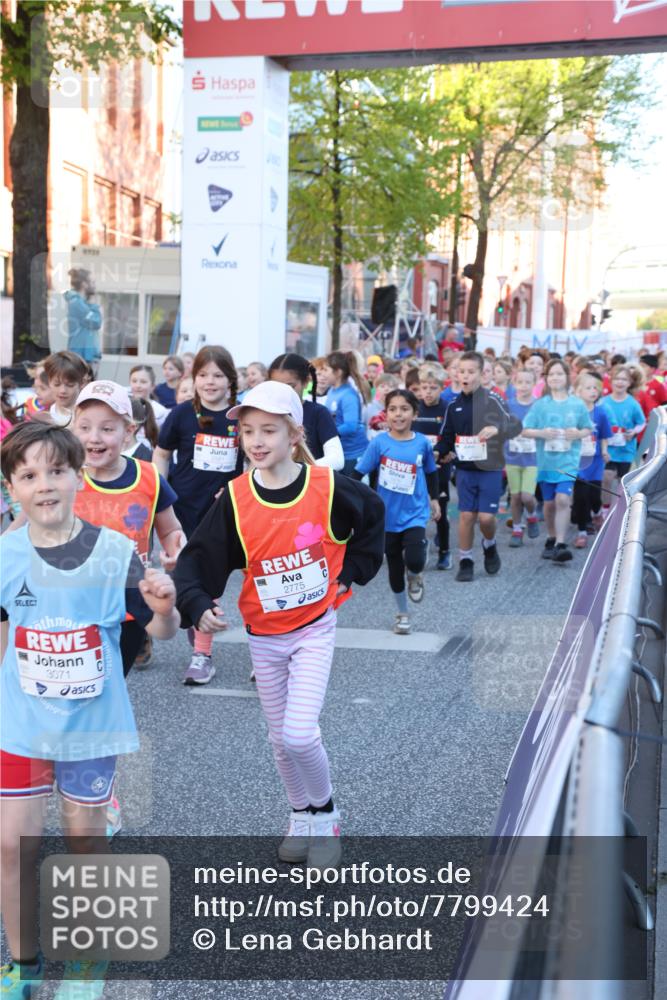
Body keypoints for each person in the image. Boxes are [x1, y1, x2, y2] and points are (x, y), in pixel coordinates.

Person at [0, 420, 178, 1000]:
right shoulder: (3, 554)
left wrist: (166, 608)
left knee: (84, 841)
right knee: (12, 845)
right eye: (29, 475)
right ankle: (23, 966)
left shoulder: (112, 552)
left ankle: (84, 966)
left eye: (56, 470)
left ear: (79, 477)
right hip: (21, 726)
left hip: (91, 726)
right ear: (12, 489)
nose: (44, 484)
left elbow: (160, 629)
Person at [175, 381, 383, 868]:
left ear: (294, 434)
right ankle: (300, 815)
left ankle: (327, 815)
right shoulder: (236, 497)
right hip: (263, 636)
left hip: (314, 628)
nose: (256, 440)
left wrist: (348, 574)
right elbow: (201, 557)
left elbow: (372, 516)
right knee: (277, 738)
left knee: (299, 734)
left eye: (269, 429)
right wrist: (198, 600)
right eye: (247, 431)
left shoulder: (327, 486)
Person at [155, 346, 243, 685]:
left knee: (207, 579)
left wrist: (237, 489)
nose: (210, 382)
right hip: (181, 510)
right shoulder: (180, 415)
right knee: (181, 580)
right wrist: (160, 495)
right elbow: (162, 455)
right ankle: (196, 622)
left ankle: (202, 655)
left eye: (218, 375)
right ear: (194, 379)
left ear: (230, 380)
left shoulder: (239, 417)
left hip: (221, 514)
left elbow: (250, 463)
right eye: (203, 375)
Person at [354, 389, 439, 634]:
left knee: (413, 557)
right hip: (386, 515)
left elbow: (432, 473)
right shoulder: (379, 443)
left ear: (414, 413)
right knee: (393, 566)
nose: (398, 414)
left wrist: (435, 499)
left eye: (404, 409)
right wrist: (350, 500)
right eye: (393, 409)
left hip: (415, 512)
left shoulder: (422, 442)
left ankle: (415, 573)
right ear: (386, 413)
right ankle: (402, 614)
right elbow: (358, 474)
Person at [437, 351, 520, 581]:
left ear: (481, 374)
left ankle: (489, 544)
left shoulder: (492, 400)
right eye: (461, 371)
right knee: (466, 516)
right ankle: (466, 560)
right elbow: (446, 437)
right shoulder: (453, 405)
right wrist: (437, 453)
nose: (465, 375)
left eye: (470, 372)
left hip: (490, 469)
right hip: (464, 470)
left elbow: (514, 426)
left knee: (486, 518)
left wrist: (497, 429)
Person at [521, 359, 593, 562]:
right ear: (545, 378)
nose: (555, 378)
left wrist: (577, 434)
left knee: (563, 499)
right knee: (550, 504)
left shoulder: (577, 404)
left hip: (568, 461)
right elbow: (525, 430)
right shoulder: (540, 405)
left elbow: (587, 428)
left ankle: (561, 543)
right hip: (546, 462)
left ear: (567, 377)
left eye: (559, 374)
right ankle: (551, 537)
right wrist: (542, 433)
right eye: (551, 374)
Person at [268, 353, 344, 470]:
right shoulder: (265, 413)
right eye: (276, 386)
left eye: (290, 386)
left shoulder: (318, 413)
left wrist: (295, 471)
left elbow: (337, 459)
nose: (282, 393)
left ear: (306, 382)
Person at [413, 364, 452, 570]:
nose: (428, 392)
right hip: (416, 468)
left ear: (441, 388)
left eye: (433, 388)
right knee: (416, 509)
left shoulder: (447, 409)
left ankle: (445, 552)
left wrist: (445, 451)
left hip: (439, 467)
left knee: (440, 512)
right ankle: (418, 545)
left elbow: (450, 436)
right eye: (424, 387)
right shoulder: (414, 407)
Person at [571, 371, 612, 547]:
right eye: (588, 388)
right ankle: (581, 531)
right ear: (578, 391)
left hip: (595, 461)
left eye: (596, 387)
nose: (593, 391)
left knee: (594, 496)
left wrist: (604, 451)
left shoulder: (601, 413)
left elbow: (604, 435)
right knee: (580, 496)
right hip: (577, 461)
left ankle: (597, 513)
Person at [599, 364, 646, 515]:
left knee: (622, 482)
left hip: (626, 450)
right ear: (611, 380)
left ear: (629, 382)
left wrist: (634, 431)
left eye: (623, 379)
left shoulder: (632, 403)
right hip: (609, 449)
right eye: (617, 378)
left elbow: (641, 422)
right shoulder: (603, 402)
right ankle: (605, 509)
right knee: (607, 477)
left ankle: (619, 511)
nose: (620, 382)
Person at [505, 368, 540, 548]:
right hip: (512, 457)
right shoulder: (508, 405)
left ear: (534, 384)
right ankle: (517, 529)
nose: (524, 386)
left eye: (528, 382)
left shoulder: (539, 406)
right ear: (514, 384)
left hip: (533, 458)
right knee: (515, 496)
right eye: (520, 382)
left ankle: (532, 516)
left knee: (527, 496)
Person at [321, 351, 370, 475]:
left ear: (338, 372)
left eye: (326, 370)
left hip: (352, 455)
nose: (322, 374)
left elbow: (351, 426)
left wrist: (327, 434)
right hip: (340, 452)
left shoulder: (348, 396)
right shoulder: (332, 390)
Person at [64, 268, 102, 367]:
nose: (95, 286)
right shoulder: (76, 303)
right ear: (84, 284)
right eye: (92, 282)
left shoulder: (83, 303)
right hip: (80, 356)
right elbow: (96, 322)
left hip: (87, 355)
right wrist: (94, 305)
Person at [43, 350, 89, 427]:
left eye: (70, 385)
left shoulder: (87, 416)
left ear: (82, 383)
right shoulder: (44, 416)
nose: (63, 391)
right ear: (49, 382)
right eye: (57, 384)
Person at [129, 364, 170, 429]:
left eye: (143, 382)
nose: (138, 385)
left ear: (152, 386)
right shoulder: (123, 407)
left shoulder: (161, 412)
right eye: (134, 381)